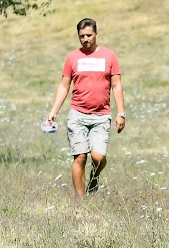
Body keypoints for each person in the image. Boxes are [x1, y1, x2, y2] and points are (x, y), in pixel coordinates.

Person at [43, 17, 126, 196]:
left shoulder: (109, 56)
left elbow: (116, 85)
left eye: (89, 35)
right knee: (80, 157)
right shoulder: (73, 58)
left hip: (101, 115)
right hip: (77, 114)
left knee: (98, 157)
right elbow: (64, 86)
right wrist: (53, 112)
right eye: (82, 36)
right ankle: (80, 204)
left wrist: (121, 113)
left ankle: (94, 177)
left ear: (96, 34)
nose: (85, 39)